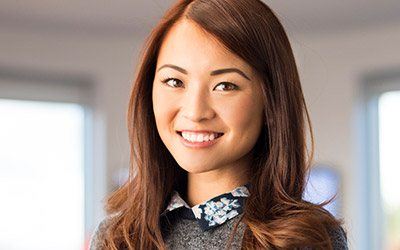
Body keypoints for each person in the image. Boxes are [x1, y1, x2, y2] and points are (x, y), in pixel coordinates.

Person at [89, 0, 349, 249]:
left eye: (225, 86)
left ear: (271, 102)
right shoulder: (116, 240)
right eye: (174, 81)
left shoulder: (307, 241)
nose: (195, 111)